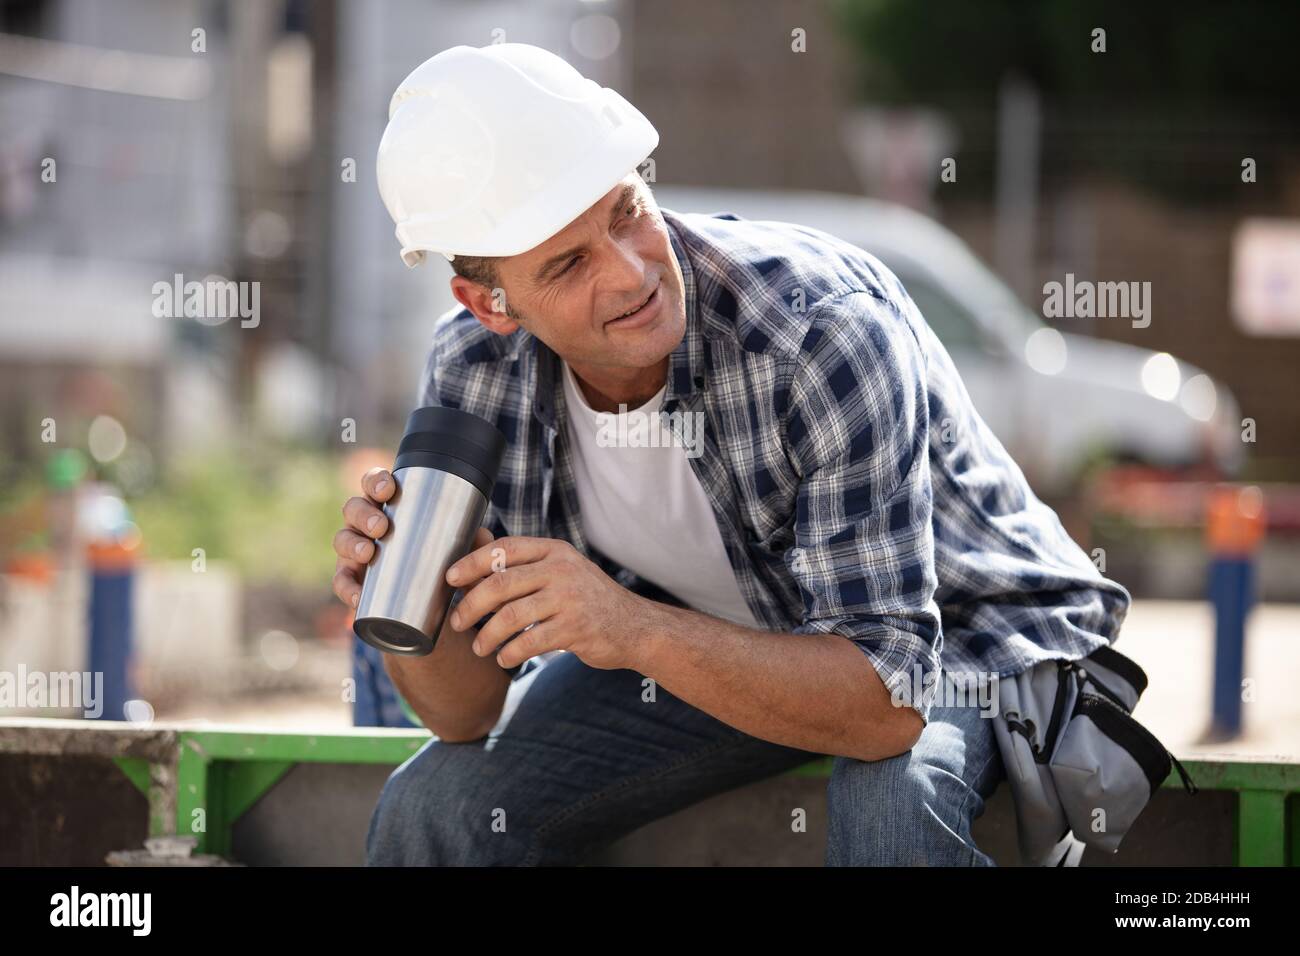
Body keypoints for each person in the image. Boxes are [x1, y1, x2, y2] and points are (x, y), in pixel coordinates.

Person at [330, 43, 1131, 866]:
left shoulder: (818, 331)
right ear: (489, 304)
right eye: (569, 263)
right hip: (711, 642)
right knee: (434, 807)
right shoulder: (474, 368)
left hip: (961, 634)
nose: (632, 271)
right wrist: (406, 608)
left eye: (625, 212)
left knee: (895, 801)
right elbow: (464, 717)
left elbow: (884, 705)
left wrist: (627, 626)